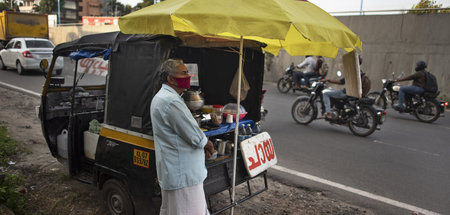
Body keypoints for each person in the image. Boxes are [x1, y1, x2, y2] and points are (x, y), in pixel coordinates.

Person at [150, 59, 214, 215]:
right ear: (170, 79)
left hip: (177, 172)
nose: (188, 76)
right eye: (183, 73)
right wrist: (207, 143)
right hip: (183, 176)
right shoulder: (170, 101)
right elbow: (194, 136)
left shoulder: (166, 97)